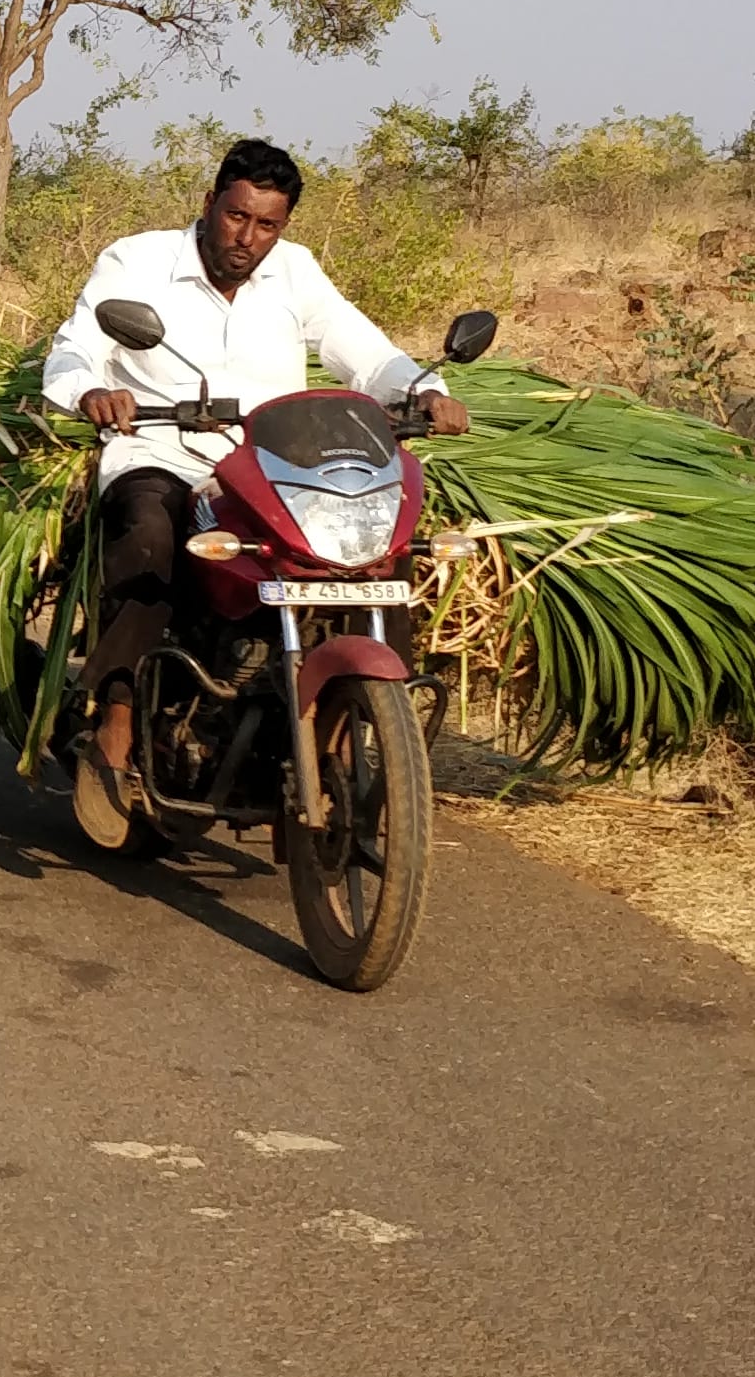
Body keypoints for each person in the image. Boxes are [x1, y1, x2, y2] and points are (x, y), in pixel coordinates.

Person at [40, 138, 466, 853]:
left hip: (271, 466)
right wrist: (91, 390)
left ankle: (366, 738)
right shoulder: (136, 262)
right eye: (237, 218)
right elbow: (76, 345)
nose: (248, 239)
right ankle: (114, 721)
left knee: (378, 551)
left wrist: (422, 388)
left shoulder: (294, 273)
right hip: (164, 450)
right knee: (147, 533)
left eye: (267, 225)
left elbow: (361, 351)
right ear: (210, 204)